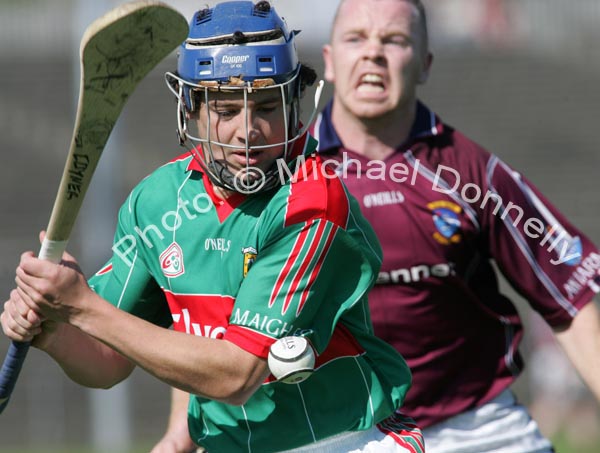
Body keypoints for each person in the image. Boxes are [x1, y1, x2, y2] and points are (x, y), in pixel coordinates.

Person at [155, 0, 600, 451]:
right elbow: (202, 307)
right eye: (356, 38)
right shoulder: (268, 171)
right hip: (342, 435)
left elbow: (572, 302)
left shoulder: (474, 174)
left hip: (473, 429)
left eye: (394, 40)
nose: (373, 54)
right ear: (329, 59)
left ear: (425, 64)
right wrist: (179, 436)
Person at [0, 2, 426, 452]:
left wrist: (82, 304)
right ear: (191, 110)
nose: (249, 130)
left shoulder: (310, 201)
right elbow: (106, 362)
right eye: (226, 110)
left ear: (294, 102)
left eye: (266, 105)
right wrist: (56, 328)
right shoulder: (156, 202)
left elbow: (236, 373)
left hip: (343, 441)